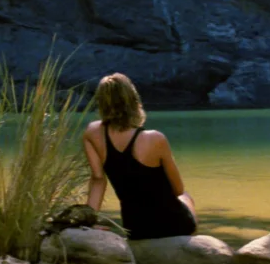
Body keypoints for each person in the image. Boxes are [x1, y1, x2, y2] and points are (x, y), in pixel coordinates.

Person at [82, 73, 197, 240]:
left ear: (101, 103)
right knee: (186, 197)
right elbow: (177, 189)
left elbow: (98, 180)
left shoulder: (92, 133)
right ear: (133, 100)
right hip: (174, 225)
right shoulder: (155, 138)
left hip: (136, 228)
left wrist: (90, 221)